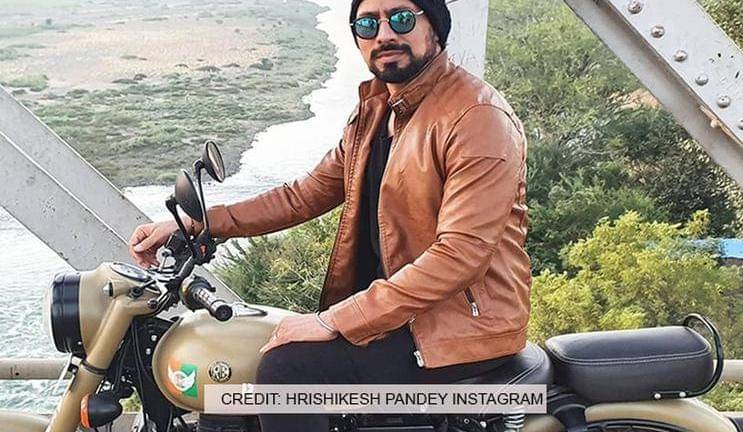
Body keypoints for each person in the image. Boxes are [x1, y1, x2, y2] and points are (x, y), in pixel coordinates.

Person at [129, 0, 530, 430]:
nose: (384, 35)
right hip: (400, 314)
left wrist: (334, 319)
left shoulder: (477, 118)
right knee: (250, 348)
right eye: (367, 24)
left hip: (459, 330)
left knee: (286, 372)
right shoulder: (377, 111)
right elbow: (303, 195)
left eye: (401, 18)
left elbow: (460, 254)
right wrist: (202, 223)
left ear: (435, 27)